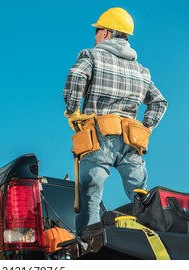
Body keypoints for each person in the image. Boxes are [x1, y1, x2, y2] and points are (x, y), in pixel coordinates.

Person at [63, 7, 168, 236]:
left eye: (97, 30)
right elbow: (159, 103)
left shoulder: (92, 56)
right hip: (131, 141)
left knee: (91, 191)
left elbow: (77, 76)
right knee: (141, 194)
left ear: (106, 32)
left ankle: (88, 243)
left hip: (99, 136)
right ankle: (151, 238)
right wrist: (145, 127)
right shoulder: (141, 71)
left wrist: (73, 111)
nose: (95, 35)